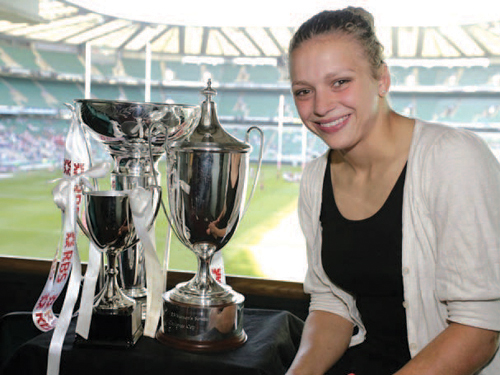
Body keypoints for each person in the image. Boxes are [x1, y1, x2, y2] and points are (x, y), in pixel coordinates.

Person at [286, 7, 500, 375]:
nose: (320, 107)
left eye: (339, 82)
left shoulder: (453, 158)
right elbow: (332, 304)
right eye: (304, 91)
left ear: (381, 80)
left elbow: (480, 327)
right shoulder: (314, 178)